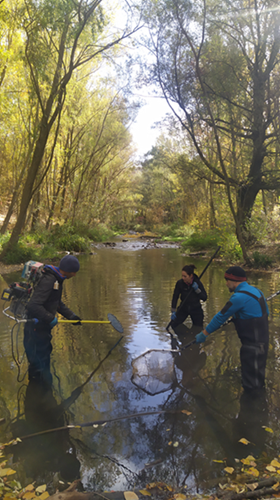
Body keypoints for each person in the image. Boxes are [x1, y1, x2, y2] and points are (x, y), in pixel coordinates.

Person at [195, 266, 269, 392]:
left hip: (252, 347)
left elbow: (220, 317)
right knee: (258, 378)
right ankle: (260, 406)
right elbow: (265, 312)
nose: (226, 283)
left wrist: (204, 333)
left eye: (227, 280)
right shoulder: (257, 291)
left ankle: (251, 408)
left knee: (251, 386)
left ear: (234, 280)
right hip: (263, 344)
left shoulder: (238, 298)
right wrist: (238, 315)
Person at [24, 255, 81, 382]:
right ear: (67, 270)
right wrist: (50, 318)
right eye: (74, 272)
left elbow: (56, 302)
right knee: (38, 358)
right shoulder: (49, 280)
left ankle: (44, 388)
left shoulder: (58, 279)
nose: (75, 275)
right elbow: (33, 305)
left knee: (44, 354)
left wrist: (71, 316)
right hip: (35, 327)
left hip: (43, 327)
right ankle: (39, 389)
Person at [170, 264, 207, 330]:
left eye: (185, 276)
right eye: (182, 276)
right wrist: (173, 310)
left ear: (191, 276)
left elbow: (204, 298)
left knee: (198, 329)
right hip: (183, 307)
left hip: (196, 308)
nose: (183, 278)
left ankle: (193, 338)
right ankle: (183, 338)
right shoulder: (180, 283)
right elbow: (175, 297)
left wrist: (197, 290)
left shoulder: (197, 283)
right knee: (174, 325)